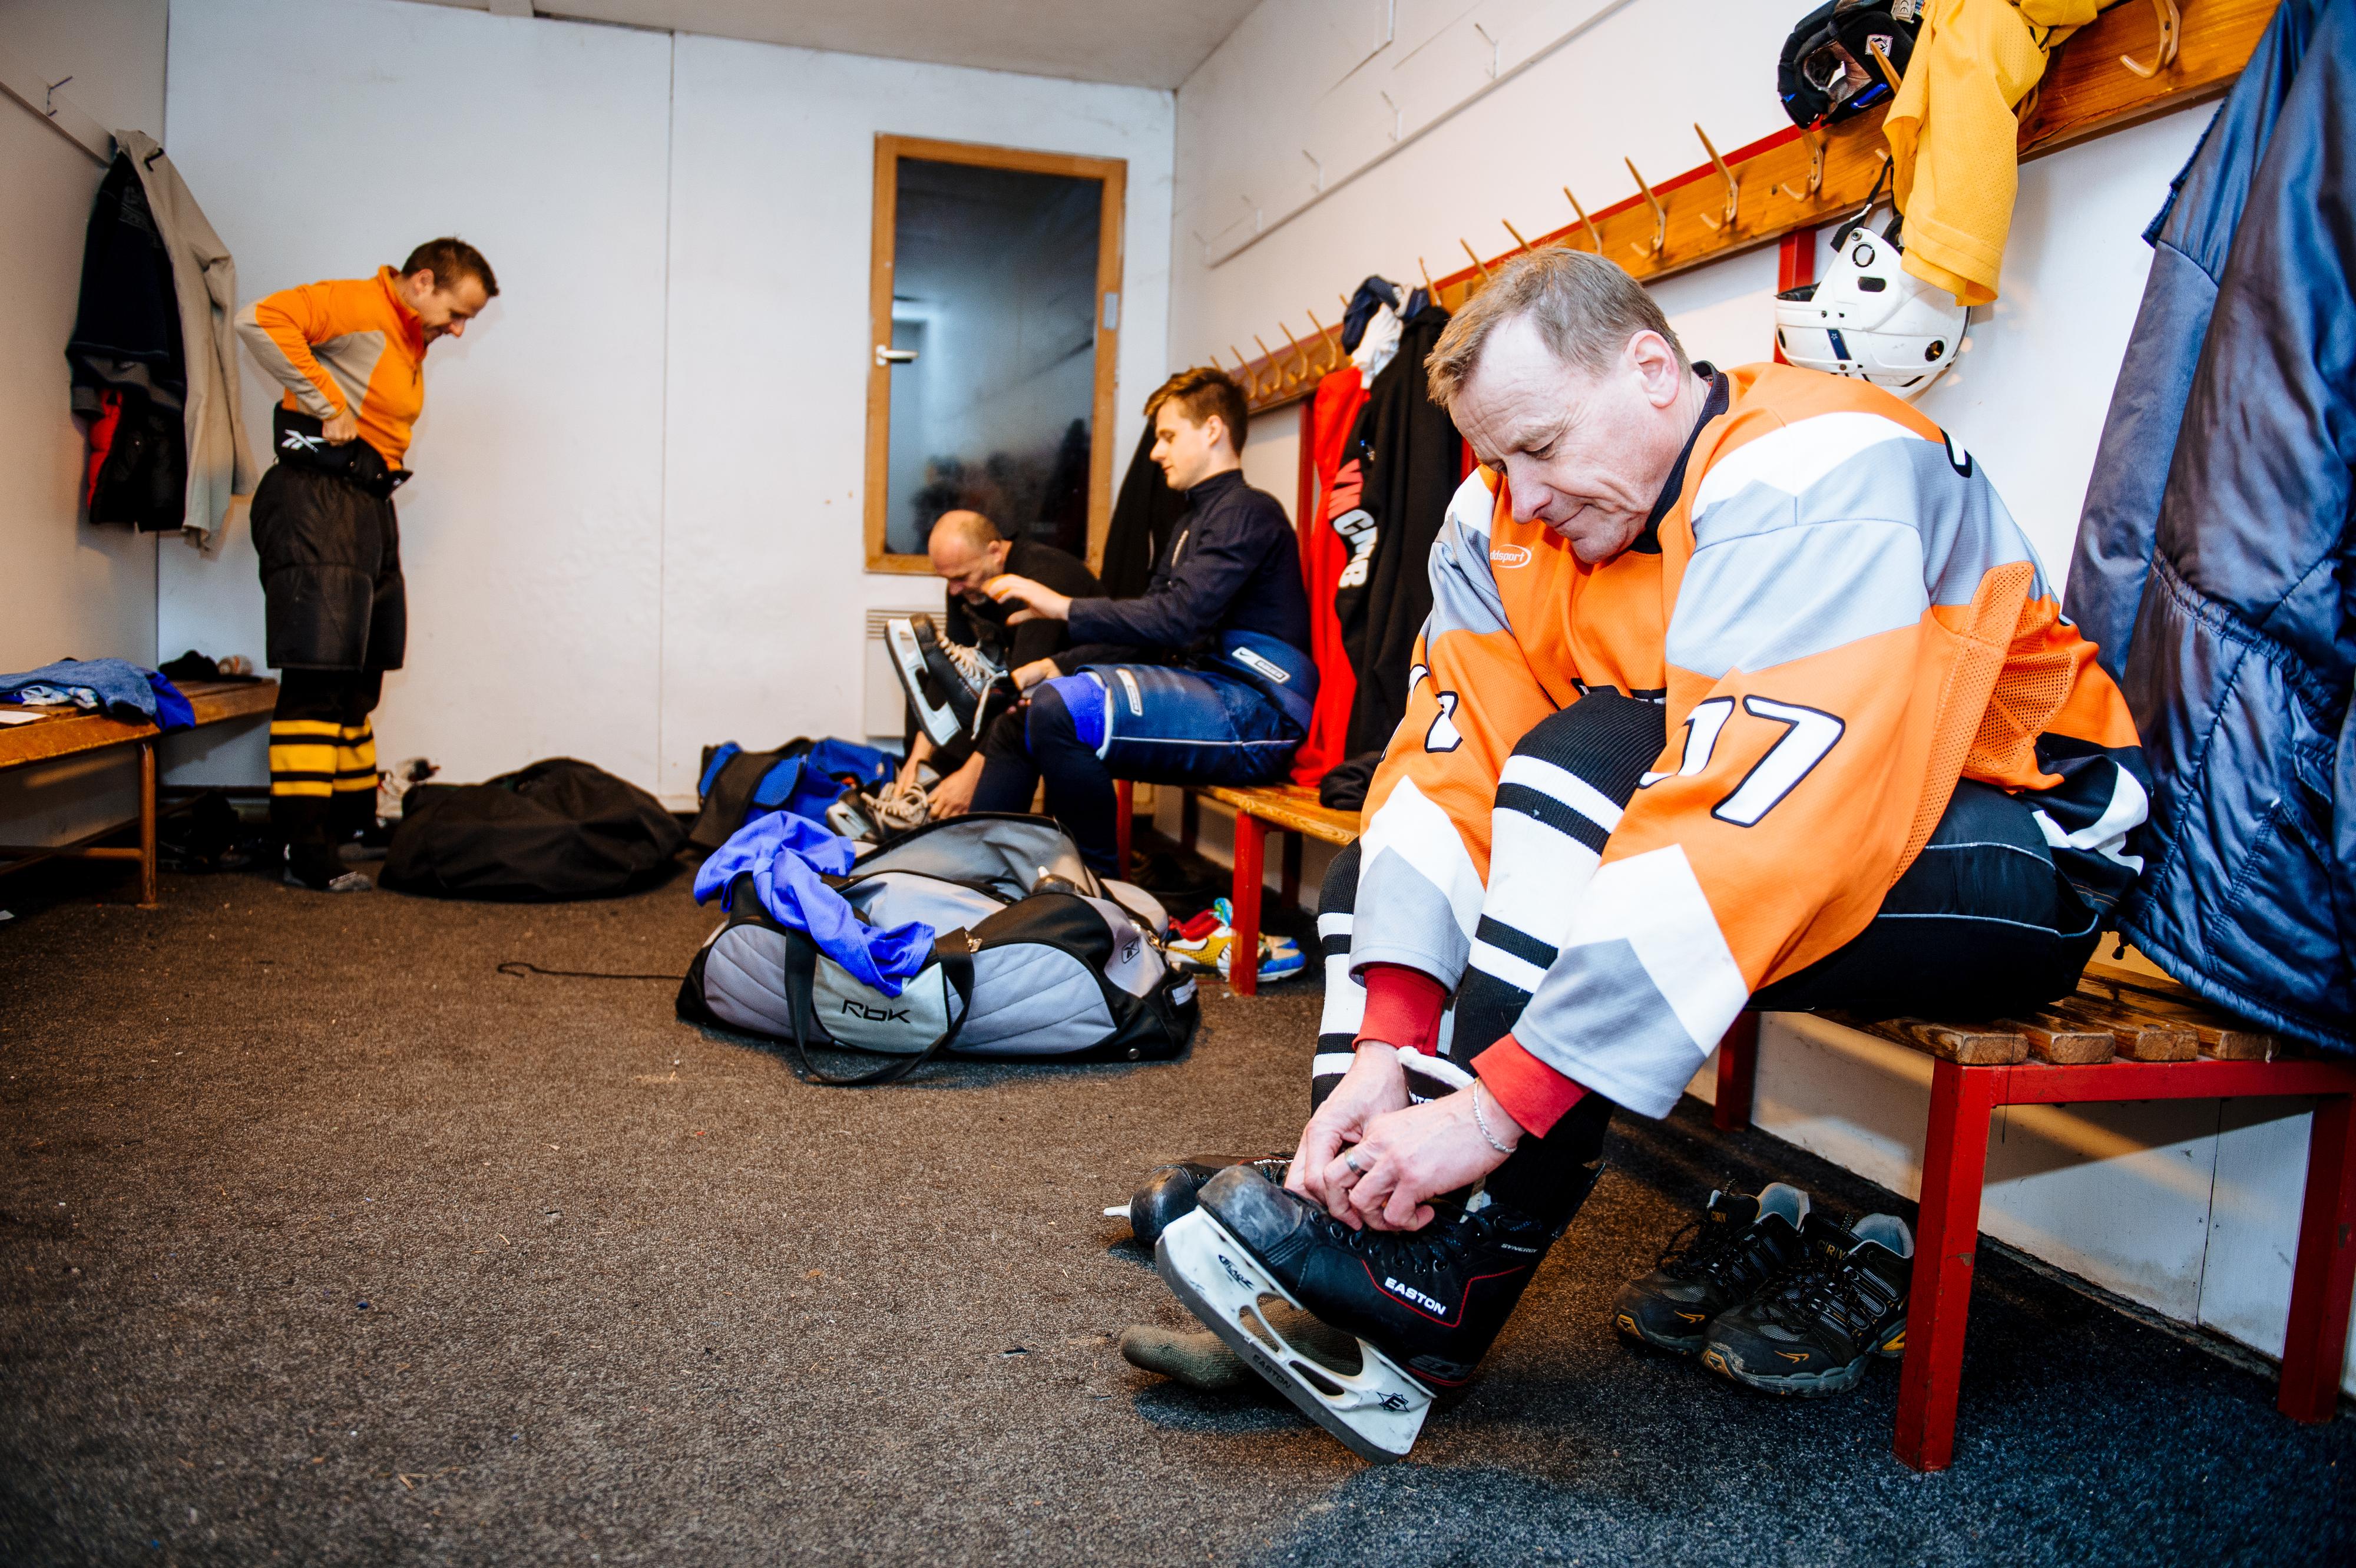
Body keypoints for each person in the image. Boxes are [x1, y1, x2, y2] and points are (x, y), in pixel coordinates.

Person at [1139, 247, 2150, 1455]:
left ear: (1652, 370)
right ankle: (1360, 1216)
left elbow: (1755, 826)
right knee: (1402, 855)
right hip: (1778, 820)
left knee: (1591, 759)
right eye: (1496, 458)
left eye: (1542, 446)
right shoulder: (1502, 517)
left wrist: (1490, 1112)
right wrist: (1379, 1053)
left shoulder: (1816, 463)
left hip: (2018, 842)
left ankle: (1440, 1269)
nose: (1518, 494)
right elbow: (1444, 764)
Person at [977, 368, 1315, 873]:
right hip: (1209, 691)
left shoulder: (1249, 512)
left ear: (1213, 430)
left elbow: (1178, 621)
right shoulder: (1189, 522)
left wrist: (1062, 606)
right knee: (1019, 719)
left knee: (1061, 711)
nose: (1156, 452)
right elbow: (1145, 632)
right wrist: (1048, 665)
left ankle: (1102, 897)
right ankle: (978, 883)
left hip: (1257, 713)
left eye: (1168, 436)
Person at [235, 237, 497, 891]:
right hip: (316, 499)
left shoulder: (409, 338)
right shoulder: (360, 304)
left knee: (363, 678)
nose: (460, 330)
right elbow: (258, 319)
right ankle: (302, 844)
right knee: (318, 678)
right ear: (423, 282)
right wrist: (328, 404)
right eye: (456, 312)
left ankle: (352, 820)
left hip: (367, 502)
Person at [892, 510, 1099, 819]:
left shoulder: (1045, 576)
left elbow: (1021, 691)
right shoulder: (966, 582)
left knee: (1013, 718)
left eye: (961, 578)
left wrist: (970, 777)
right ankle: (923, 801)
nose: (954, 590)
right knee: (924, 689)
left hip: (1079, 686)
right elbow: (948, 670)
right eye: (948, 580)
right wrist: (919, 760)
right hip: (1019, 680)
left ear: (995, 551)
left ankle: (976, 825)